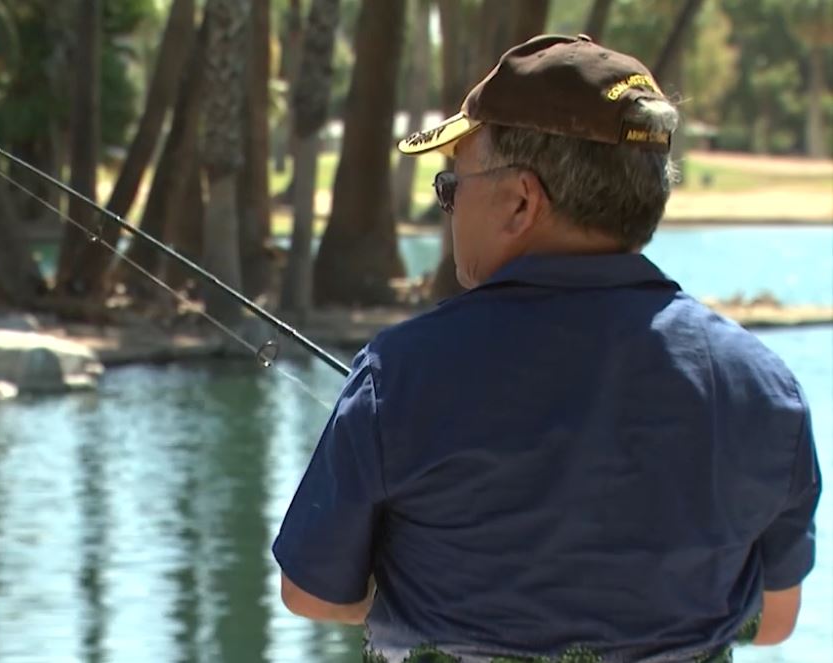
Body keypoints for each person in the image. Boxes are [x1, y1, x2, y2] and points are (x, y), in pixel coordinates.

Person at [271, 34, 821, 663]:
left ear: (521, 201)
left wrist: (411, 586)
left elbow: (311, 593)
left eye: (451, 188)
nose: (449, 209)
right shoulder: (765, 389)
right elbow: (777, 619)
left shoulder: (399, 373)